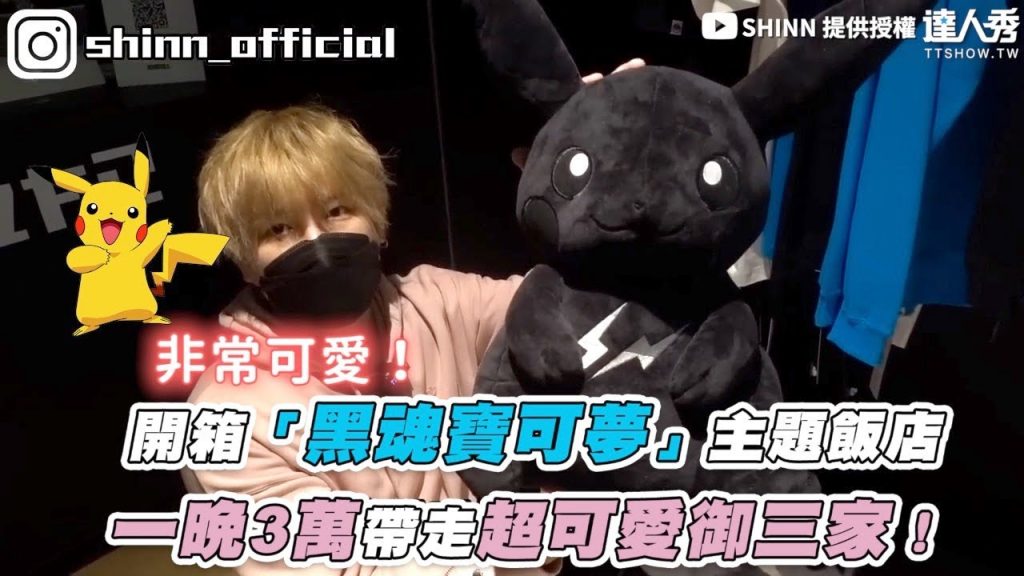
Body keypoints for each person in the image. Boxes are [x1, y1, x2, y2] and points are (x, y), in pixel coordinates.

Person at [183, 61, 646, 576]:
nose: (318, 242)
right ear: (244, 259)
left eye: (336, 211)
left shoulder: (437, 302)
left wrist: (601, 189)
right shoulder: (229, 413)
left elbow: (590, 315)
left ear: (376, 220)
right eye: (278, 228)